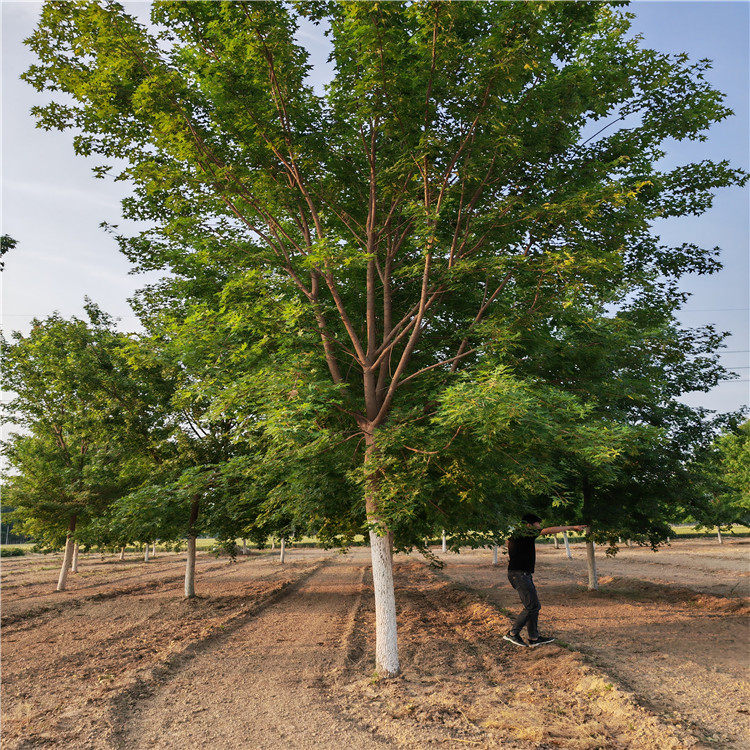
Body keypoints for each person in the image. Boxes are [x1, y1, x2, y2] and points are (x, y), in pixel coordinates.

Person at [503, 513, 588, 648]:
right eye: (537, 524)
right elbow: (548, 530)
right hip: (520, 575)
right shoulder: (526, 533)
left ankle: (534, 637)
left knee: (534, 606)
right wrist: (572, 527)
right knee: (532, 606)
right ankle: (512, 634)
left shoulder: (518, 536)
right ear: (529, 525)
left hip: (521, 574)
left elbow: (508, 542)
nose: (539, 527)